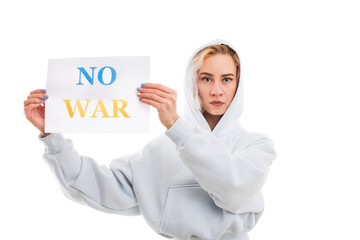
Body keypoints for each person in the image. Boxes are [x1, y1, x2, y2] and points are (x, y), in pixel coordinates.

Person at [24, 39, 277, 240]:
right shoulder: (158, 151)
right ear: (193, 83)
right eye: (206, 78)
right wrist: (51, 135)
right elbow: (90, 186)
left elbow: (233, 188)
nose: (216, 90)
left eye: (227, 79)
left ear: (238, 84)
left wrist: (177, 127)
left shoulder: (256, 146)